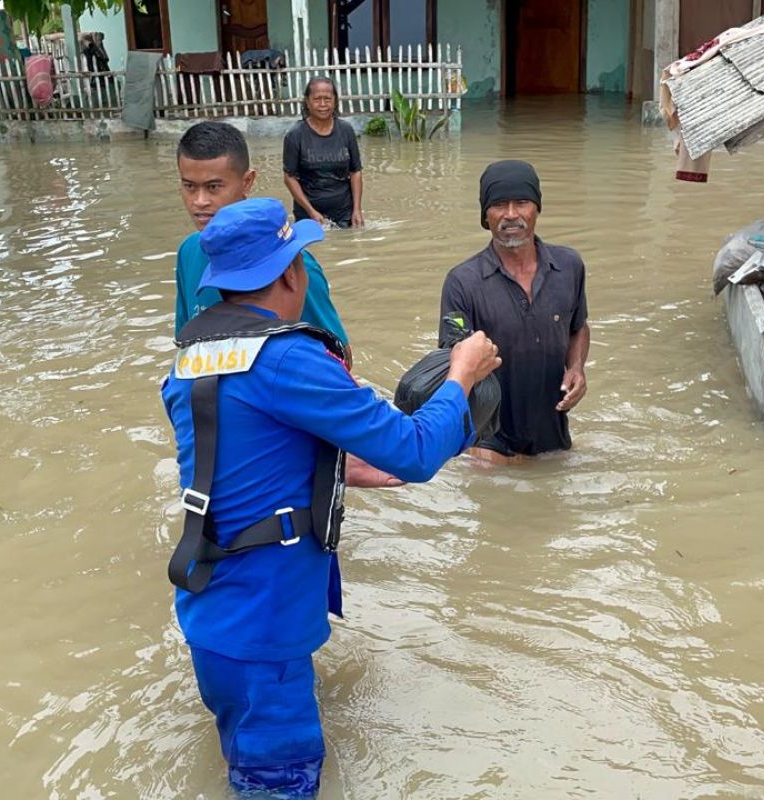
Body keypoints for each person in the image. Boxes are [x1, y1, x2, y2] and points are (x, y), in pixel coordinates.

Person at [162, 197, 500, 798]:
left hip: (215, 609)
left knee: (248, 760)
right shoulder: (290, 358)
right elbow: (416, 451)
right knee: (280, 782)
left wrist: (339, 466)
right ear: (291, 273)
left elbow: (241, 458)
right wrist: (462, 376)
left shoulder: (191, 359)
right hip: (265, 626)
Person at [439, 160, 591, 462]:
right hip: (488, 437)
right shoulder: (462, 282)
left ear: (536, 208)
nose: (511, 215)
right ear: (485, 215)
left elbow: (578, 326)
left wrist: (576, 368)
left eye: (521, 202)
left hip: (551, 429)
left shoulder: (569, 266)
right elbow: (452, 363)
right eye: (498, 204)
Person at [174, 120, 349, 351]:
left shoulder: (293, 263)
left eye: (214, 187)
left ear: (247, 182)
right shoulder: (188, 252)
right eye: (189, 186)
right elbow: (185, 343)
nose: (199, 201)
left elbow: (338, 355)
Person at [282, 77, 365, 228]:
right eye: (317, 99)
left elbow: (355, 171)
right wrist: (311, 212)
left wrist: (357, 210)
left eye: (327, 99)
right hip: (308, 215)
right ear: (307, 101)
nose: (322, 104)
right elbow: (289, 177)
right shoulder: (295, 135)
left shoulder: (346, 130)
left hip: (344, 212)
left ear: (335, 100)